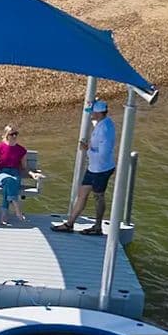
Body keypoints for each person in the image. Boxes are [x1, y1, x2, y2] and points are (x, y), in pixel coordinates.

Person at [54, 100, 117, 236]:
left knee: (98, 197)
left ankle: (98, 226)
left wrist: (87, 149)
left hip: (101, 169)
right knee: (82, 194)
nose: (91, 115)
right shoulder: (103, 122)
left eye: (92, 112)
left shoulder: (105, 130)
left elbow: (103, 154)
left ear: (99, 113)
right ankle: (69, 223)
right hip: (93, 168)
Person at [0, 124, 37, 226]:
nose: (15, 136)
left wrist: (33, 174)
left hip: (15, 174)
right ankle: (17, 208)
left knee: (9, 185)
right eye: (12, 134)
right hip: (1, 173)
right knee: (9, 181)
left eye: (16, 134)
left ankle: (4, 216)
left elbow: (25, 167)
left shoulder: (21, 150)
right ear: (6, 135)